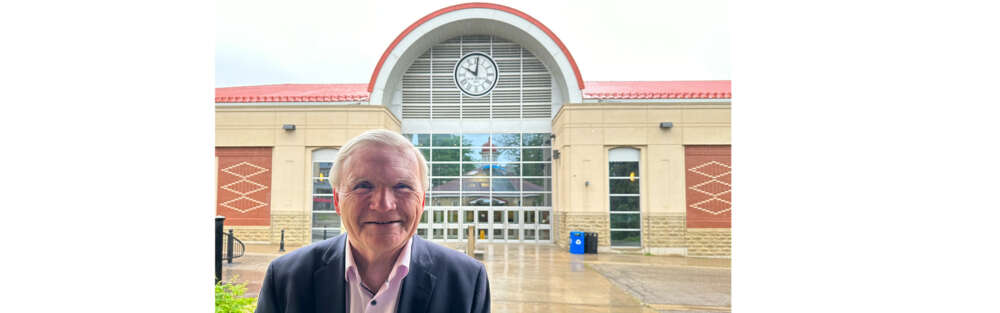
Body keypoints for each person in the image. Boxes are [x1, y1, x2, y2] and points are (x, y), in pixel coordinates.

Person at [254, 129, 490, 313]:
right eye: (363, 186)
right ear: (337, 199)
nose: (384, 204)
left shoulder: (466, 281)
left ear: (422, 200)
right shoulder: (286, 278)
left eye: (402, 186)